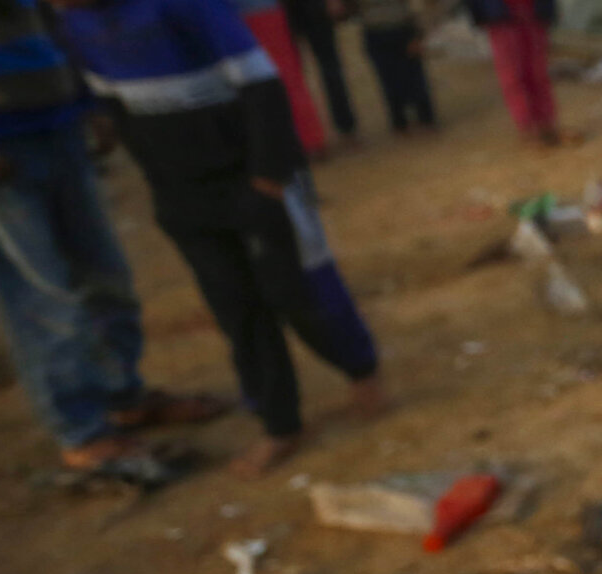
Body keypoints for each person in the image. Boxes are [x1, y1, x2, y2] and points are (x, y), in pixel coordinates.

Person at [48, 0, 388, 475]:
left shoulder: (190, 7)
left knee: (298, 291)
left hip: (252, 179)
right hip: (183, 197)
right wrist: (163, 193)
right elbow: (116, 109)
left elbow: (261, 87)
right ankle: (279, 424)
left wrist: (268, 182)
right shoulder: (75, 25)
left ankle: (360, 367)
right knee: (236, 311)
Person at [0, 0, 229, 485]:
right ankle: (81, 432)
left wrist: (85, 99)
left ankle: (124, 399)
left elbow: (51, 21)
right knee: (42, 297)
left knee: (105, 274)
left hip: (57, 125)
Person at [463, 0, 573, 146]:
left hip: (532, 13)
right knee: (512, 74)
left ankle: (547, 124)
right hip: (502, 17)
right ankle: (528, 127)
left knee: (538, 70)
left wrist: (548, 11)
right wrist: (480, 15)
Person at [236, 0, 330, 156]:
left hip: (252, 14)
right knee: (286, 73)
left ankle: (306, 139)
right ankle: (309, 138)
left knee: (278, 75)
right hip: (261, 12)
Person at [352, 0, 436, 134]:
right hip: (374, 31)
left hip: (402, 27)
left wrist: (419, 34)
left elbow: (422, 5)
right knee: (387, 79)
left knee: (414, 77)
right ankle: (399, 119)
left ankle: (425, 116)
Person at [282, 0, 358, 142]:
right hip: (285, 12)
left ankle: (346, 126)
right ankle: (307, 134)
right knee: (292, 73)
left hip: (313, 10)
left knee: (330, 70)